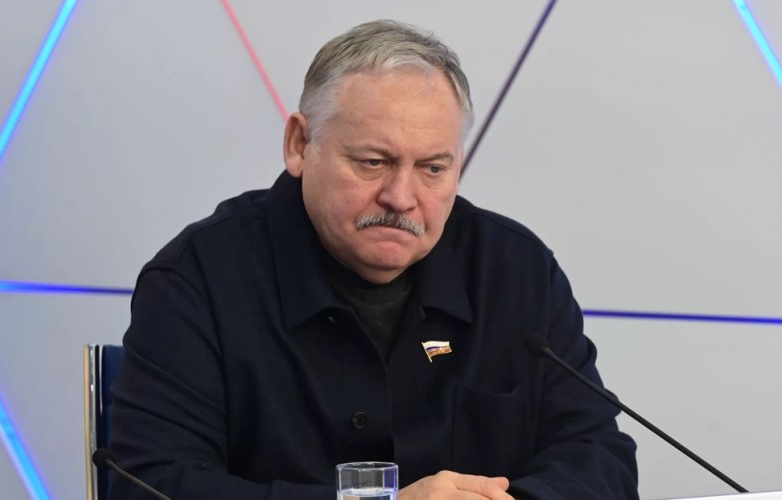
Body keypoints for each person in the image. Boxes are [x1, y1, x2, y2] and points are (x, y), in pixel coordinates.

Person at [109, 19, 638, 500]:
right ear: (299, 144)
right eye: (373, 162)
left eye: (433, 169)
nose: (401, 197)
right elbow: (151, 485)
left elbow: (599, 456)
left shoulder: (517, 271)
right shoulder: (197, 278)